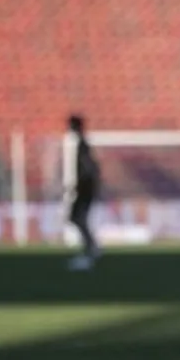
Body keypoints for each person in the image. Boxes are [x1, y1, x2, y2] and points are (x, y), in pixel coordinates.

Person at [65, 113, 102, 271]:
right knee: (76, 218)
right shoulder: (82, 143)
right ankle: (91, 248)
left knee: (77, 217)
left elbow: (88, 168)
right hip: (85, 187)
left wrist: (82, 185)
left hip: (85, 188)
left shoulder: (82, 144)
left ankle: (91, 249)